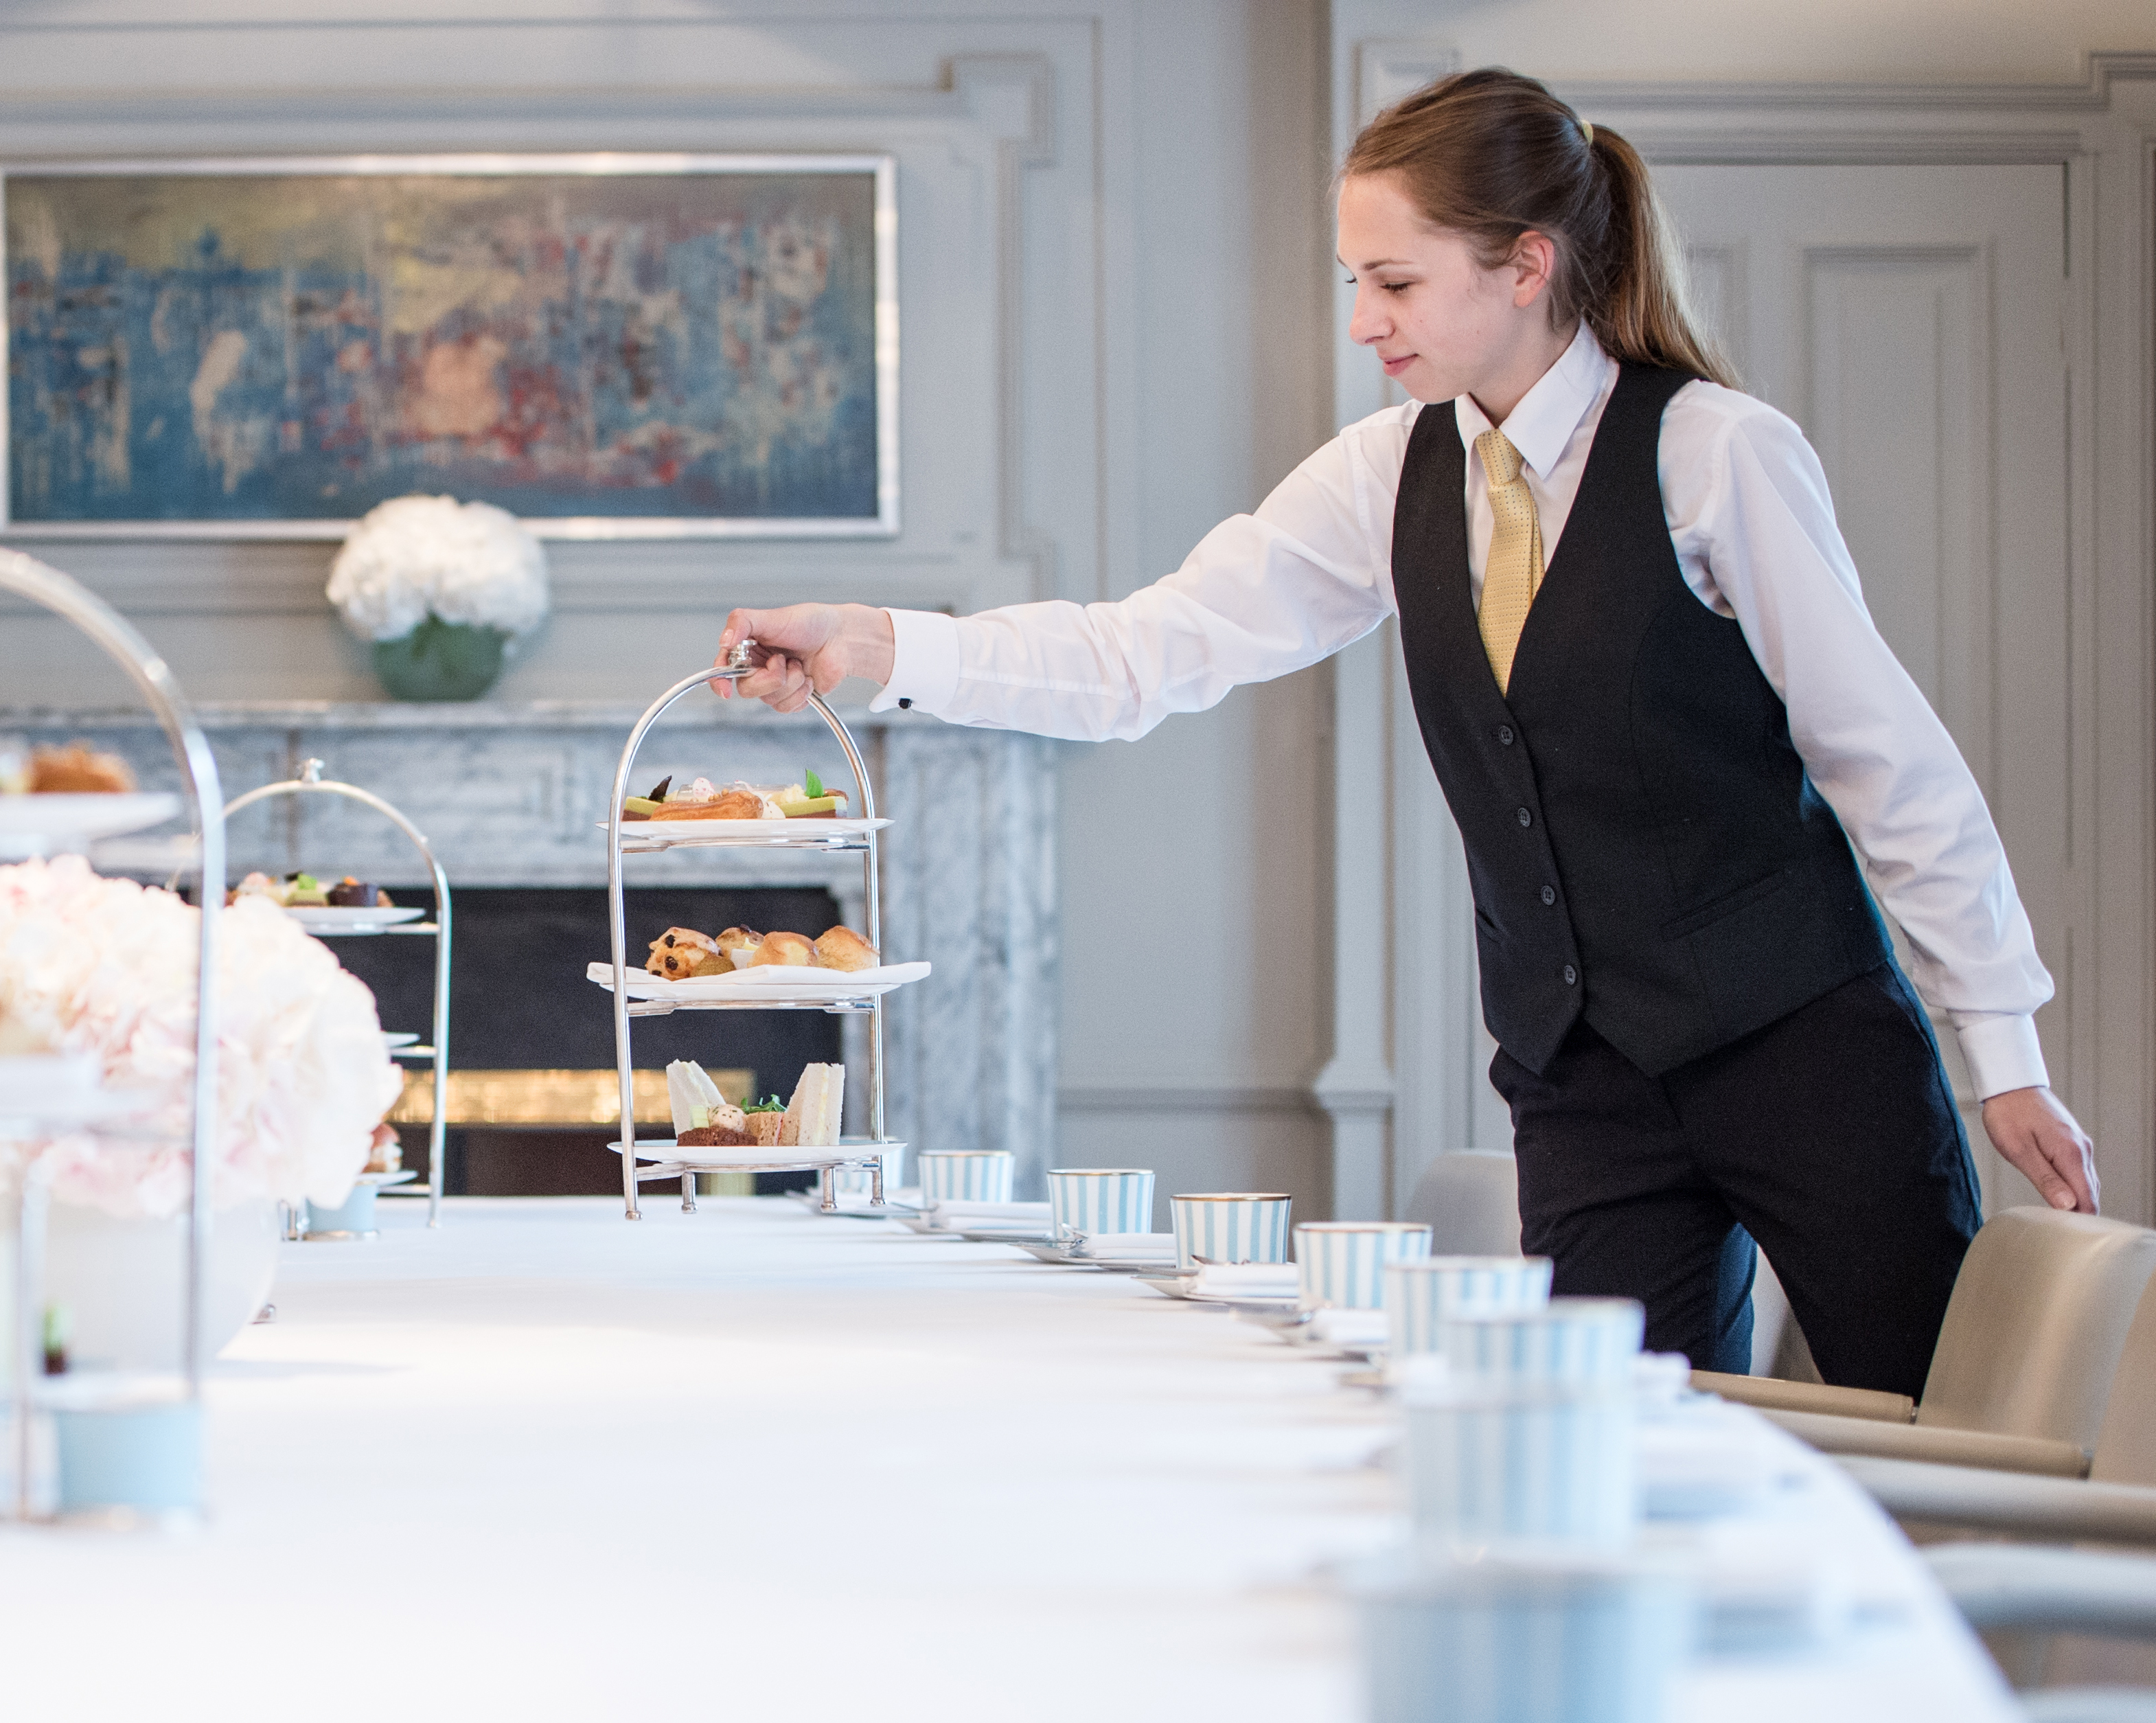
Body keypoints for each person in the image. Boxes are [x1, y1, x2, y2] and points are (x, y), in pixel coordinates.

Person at [711, 67, 2098, 1395]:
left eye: (1394, 282)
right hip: (1582, 1080)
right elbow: (1149, 651)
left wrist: (2002, 1050)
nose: (1364, 321)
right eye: (1354, 285)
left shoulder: (1712, 455)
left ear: (1525, 265)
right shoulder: (1386, 476)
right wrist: (878, 643)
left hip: (1804, 1050)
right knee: (1589, 1456)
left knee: (1918, 1428)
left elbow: (1888, 766)